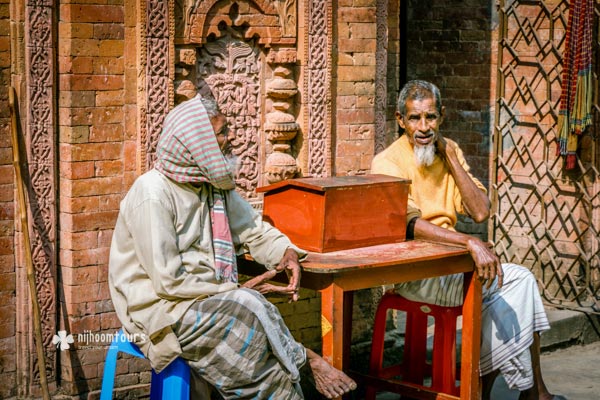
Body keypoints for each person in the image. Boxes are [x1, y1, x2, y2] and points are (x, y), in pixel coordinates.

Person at [108, 94, 357, 399]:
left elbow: (251, 228)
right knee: (248, 312)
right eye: (221, 133)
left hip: (206, 299)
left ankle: (299, 365)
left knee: (259, 344)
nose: (230, 139)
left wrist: (284, 251)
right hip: (162, 310)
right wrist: (232, 292)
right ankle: (308, 360)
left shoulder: (212, 186)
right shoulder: (152, 193)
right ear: (194, 145)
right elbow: (169, 280)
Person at [371, 80, 565, 400]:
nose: (423, 127)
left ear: (442, 117)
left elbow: (480, 211)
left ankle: (499, 392)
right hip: (416, 272)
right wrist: (469, 243)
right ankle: (520, 392)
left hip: (452, 265)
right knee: (518, 285)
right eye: (415, 119)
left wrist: (450, 157)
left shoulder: (449, 149)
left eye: (431, 117)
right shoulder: (387, 163)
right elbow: (410, 225)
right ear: (400, 119)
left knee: (513, 290)